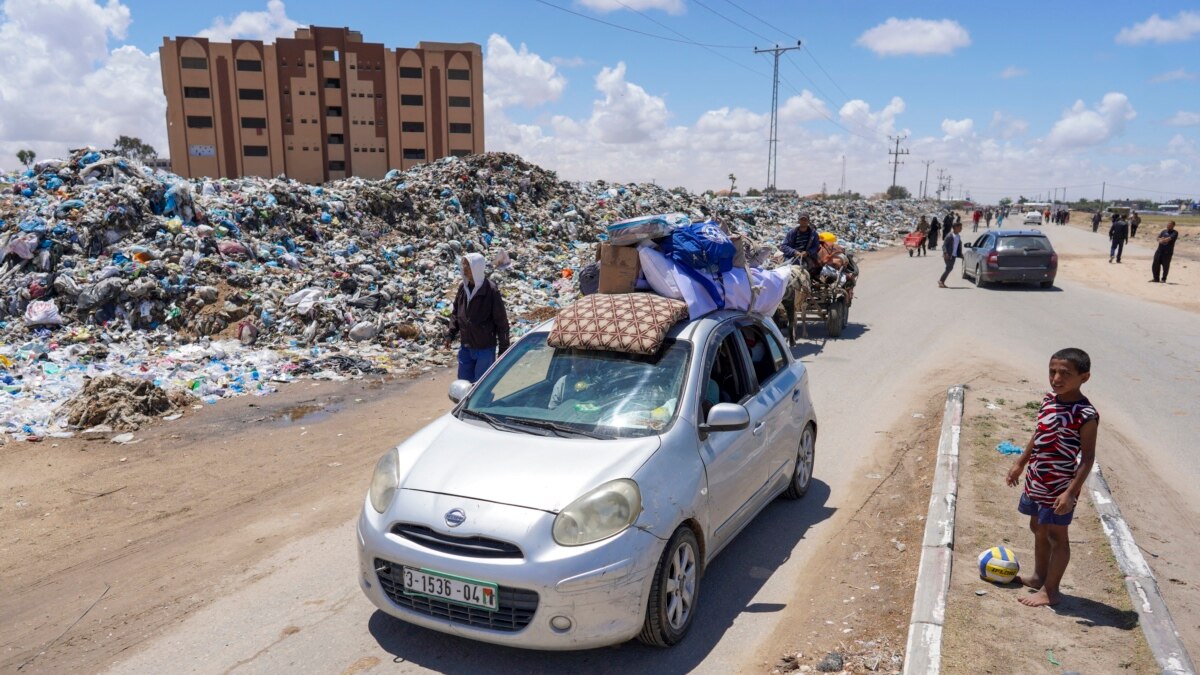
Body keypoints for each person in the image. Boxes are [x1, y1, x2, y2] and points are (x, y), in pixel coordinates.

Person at [1005, 348, 1098, 607]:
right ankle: (1038, 577)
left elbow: (1088, 458)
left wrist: (1070, 493)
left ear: (1084, 377)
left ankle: (1051, 591)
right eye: (1052, 372)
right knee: (1037, 528)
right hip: (1037, 479)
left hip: (1060, 486)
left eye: (1065, 374)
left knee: (1058, 537)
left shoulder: (1086, 414)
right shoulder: (1049, 400)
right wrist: (1020, 463)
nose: (1056, 378)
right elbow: (1039, 435)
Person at [445, 252, 511, 383]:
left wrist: (503, 348)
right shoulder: (463, 288)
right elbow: (456, 313)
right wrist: (450, 334)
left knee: (481, 387)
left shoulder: (490, 290)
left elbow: (501, 321)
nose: (464, 269)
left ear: (476, 268)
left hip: (485, 349)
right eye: (463, 265)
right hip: (466, 347)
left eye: (468, 266)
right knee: (463, 385)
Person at [938, 221, 963, 288]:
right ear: (955, 228)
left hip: (953, 255)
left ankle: (942, 282)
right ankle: (941, 281)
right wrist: (945, 253)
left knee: (949, 268)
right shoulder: (950, 236)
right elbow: (944, 246)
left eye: (961, 227)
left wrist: (960, 254)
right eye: (960, 227)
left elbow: (958, 246)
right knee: (949, 268)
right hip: (948, 255)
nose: (961, 229)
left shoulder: (958, 236)